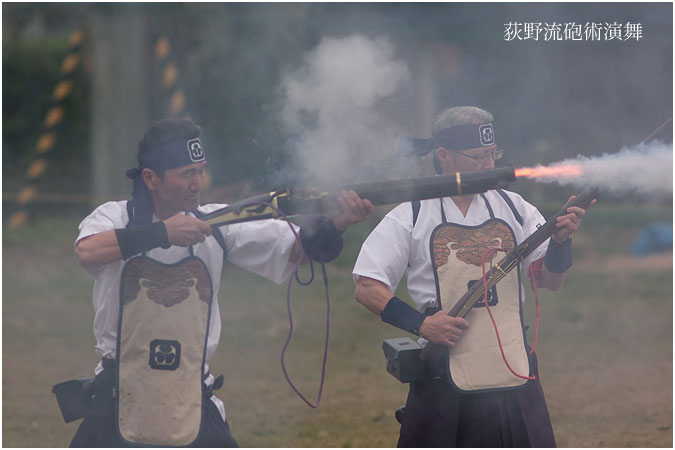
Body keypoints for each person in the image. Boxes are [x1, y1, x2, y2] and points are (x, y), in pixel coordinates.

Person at [66, 118, 374, 447]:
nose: (198, 182)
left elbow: (298, 247)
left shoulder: (216, 220)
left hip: (191, 391)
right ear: (151, 179)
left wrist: (339, 222)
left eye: (201, 170)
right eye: (187, 174)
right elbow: (88, 251)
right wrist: (163, 233)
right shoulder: (114, 217)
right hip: (119, 393)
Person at [352, 106, 594, 447]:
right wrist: (421, 325)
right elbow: (367, 286)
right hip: (441, 374)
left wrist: (560, 242)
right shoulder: (411, 213)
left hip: (511, 369)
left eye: (492, 154)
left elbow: (550, 280)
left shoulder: (515, 207)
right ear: (444, 156)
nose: (488, 165)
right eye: (478, 156)